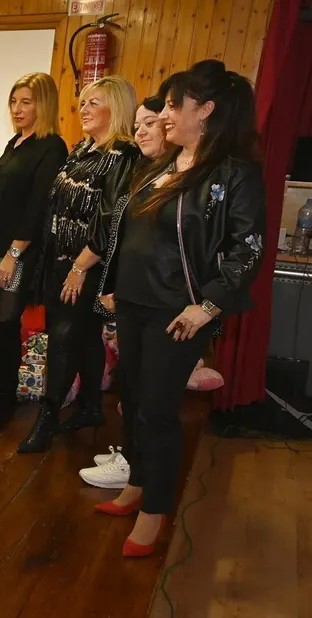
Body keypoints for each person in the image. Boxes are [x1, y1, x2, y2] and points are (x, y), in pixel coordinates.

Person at [94, 60, 265, 557]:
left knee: (158, 412)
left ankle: (155, 510)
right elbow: (130, 235)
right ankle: (137, 485)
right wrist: (111, 287)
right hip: (133, 303)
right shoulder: (162, 166)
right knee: (131, 399)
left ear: (206, 111)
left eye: (174, 105)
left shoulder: (233, 174)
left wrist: (206, 307)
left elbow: (247, 249)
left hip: (177, 312)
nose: (164, 113)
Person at [17, 75, 140, 453]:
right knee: (85, 336)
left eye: (94, 103)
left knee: (64, 339)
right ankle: (89, 406)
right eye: (83, 103)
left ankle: (48, 417)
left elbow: (110, 220)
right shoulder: (83, 149)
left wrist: (80, 267)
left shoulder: (123, 156)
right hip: (62, 262)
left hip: (86, 266)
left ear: (115, 109)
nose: (84, 110)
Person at [79, 90, 174, 489]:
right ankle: (132, 457)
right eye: (137, 125)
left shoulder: (177, 175)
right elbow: (123, 234)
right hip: (131, 293)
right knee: (132, 386)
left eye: (150, 123)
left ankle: (139, 469)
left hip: (161, 300)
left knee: (149, 396)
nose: (140, 132)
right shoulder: (147, 171)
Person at [0, 72, 68, 433]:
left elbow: (36, 208)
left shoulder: (50, 146)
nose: (17, 108)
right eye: (14, 101)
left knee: (5, 323)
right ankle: (0, 393)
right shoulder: (15, 142)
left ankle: (0, 402)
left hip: (16, 252)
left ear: (42, 104)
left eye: (26, 101)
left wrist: (13, 255)